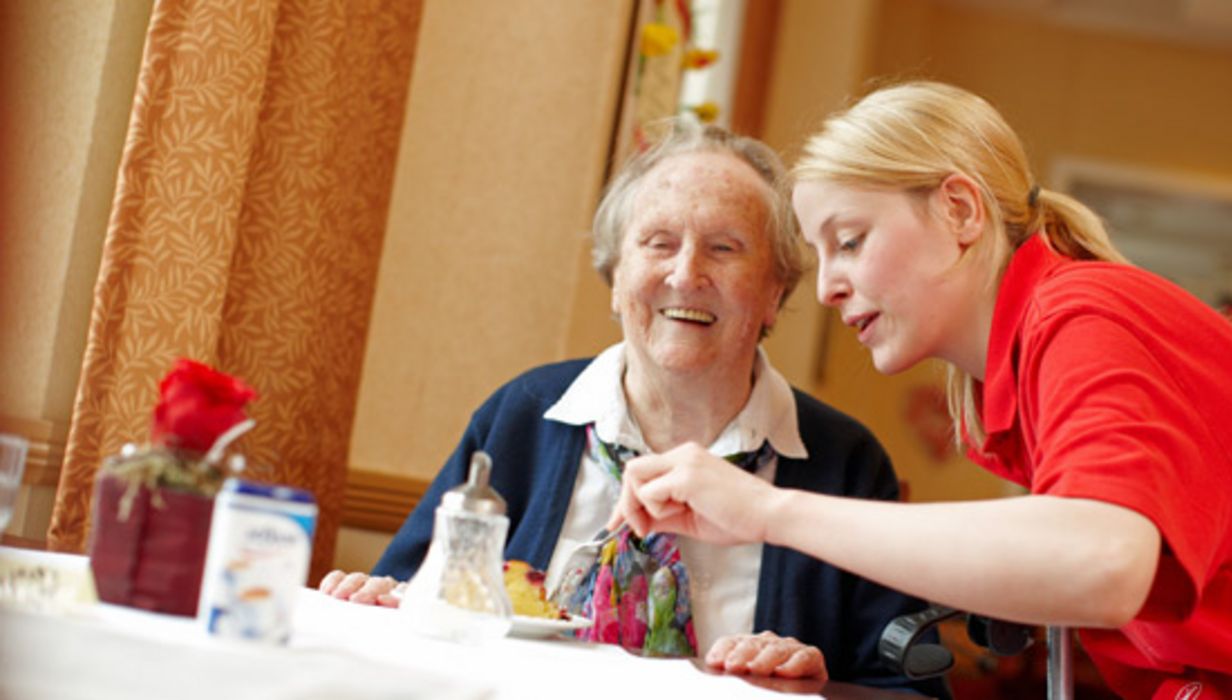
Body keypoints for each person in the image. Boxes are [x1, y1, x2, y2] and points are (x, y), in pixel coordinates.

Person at [610, 81, 1232, 699]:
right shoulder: (1016, 382)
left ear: (958, 209)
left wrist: (764, 511)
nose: (829, 288)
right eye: (821, 258)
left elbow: (1101, 563)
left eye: (850, 241)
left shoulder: (1083, 313)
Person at [320, 120, 948, 696]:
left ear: (775, 293)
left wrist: (817, 685)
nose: (686, 273)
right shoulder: (523, 416)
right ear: (616, 275)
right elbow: (411, 607)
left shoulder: (845, 464)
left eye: (725, 248)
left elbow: (911, 692)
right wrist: (378, 608)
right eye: (658, 242)